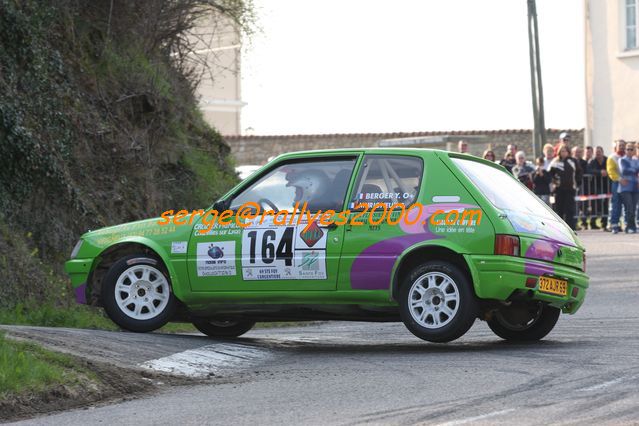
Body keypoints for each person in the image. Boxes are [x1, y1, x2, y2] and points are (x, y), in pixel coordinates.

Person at [549, 143, 582, 230]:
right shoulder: (555, 162)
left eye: (565, 151)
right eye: (561, 151)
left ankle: (570, 228)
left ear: (568, 152)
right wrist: (554, 181)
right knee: (559, 210)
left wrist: (577, 184)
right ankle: (559, 229)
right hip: (559, 189)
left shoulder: (573, 161)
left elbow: (579, 173)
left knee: (570, 210)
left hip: (570, 189)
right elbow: (549, 174)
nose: (563, 153)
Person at [587, 146, 609, 230]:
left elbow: (611, 169)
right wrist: (600, 172)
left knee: (605, 204)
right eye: (596, 152)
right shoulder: (592, 161)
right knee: (595, 204)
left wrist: (606, 172)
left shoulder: (607, 160)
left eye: (599, 152)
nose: (598, 154)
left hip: (606, 186)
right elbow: (588, 170)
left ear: (602, 152)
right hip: (595, 187)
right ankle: (593, 223)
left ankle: (605, 223)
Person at [618, 142, 639, 233]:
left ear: (634, 150)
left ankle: (633, 226)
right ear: (625, 150)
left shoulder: (636, 160)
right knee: (629, 207)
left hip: (635, 187)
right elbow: (624, 170)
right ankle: (628, 226)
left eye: (631, 149)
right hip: (625, 187)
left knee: (634, 208)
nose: (629, 151)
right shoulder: (622, 160)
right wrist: (634, 170)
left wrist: (633, 170)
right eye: (628, 149)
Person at [606, 140, 626, 234]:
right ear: (616, 147)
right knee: (616, 205)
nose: (621, 147)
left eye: (623, 145)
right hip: (617, 183)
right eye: (620, 145)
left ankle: (627, 224)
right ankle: (614, 225)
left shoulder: (628, 156)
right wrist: (619, 179)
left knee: (628, 205)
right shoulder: (612, 157)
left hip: (628, 184)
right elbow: (611, 171)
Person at [572, 146, 589, 229]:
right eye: (576, 152)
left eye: (579, 152)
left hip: (582, 185)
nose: (577, 153)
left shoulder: (584, 162)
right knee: (574, 204)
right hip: (572, 185)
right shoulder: (570, 161)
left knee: (583, 204)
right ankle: (574, 223)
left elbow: (585, 172)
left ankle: (584, 222)